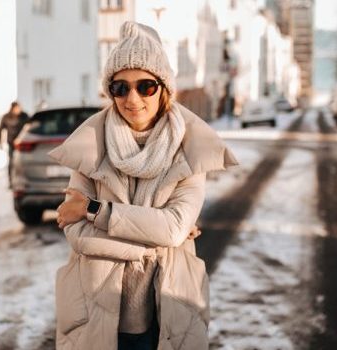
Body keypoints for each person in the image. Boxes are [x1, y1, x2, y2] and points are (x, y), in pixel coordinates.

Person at [49, 21, 237, 350]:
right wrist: (156, 238)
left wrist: (95, 210)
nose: (132, 98)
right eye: (120, 88)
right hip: (96, 313)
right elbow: (78, 235)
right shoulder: (90, 146)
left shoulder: (189, 149)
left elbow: (173, 229)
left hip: (167, 314)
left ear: (164, 88)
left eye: (145, 86)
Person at [0, 101, 29, 185]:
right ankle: (10, 181)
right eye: (17, 108)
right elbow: (1, 129)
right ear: (12, 109)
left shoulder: (24, 116)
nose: (18, 110)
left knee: (23, 162)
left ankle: (25, 180)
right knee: (11, 162)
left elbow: (30, 125)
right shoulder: (6, 117)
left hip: (22, 143)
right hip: (11, 143)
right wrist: (0, 143)